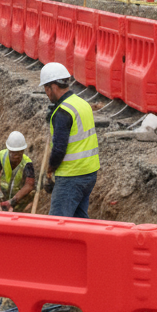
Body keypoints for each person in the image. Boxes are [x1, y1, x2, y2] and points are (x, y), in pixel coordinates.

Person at [40, 62, 99, 218]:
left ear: (52, 87)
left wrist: (50, 170)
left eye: (46, 88)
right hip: (90, 172)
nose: (46, 92)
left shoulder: (62, 112)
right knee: (79, 222)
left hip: (71, 176)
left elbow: (59, 149)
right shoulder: (83, 104)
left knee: (58, 223)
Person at [0, 131, 36, 211]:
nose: (16, 156)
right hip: (2, 192)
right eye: (14, 153)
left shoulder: (27, 163)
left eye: (19, 153)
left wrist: (13, 201)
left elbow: (29, 185)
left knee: (29, 203)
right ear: (9, 150)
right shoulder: (2, 156)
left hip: (18, 196)